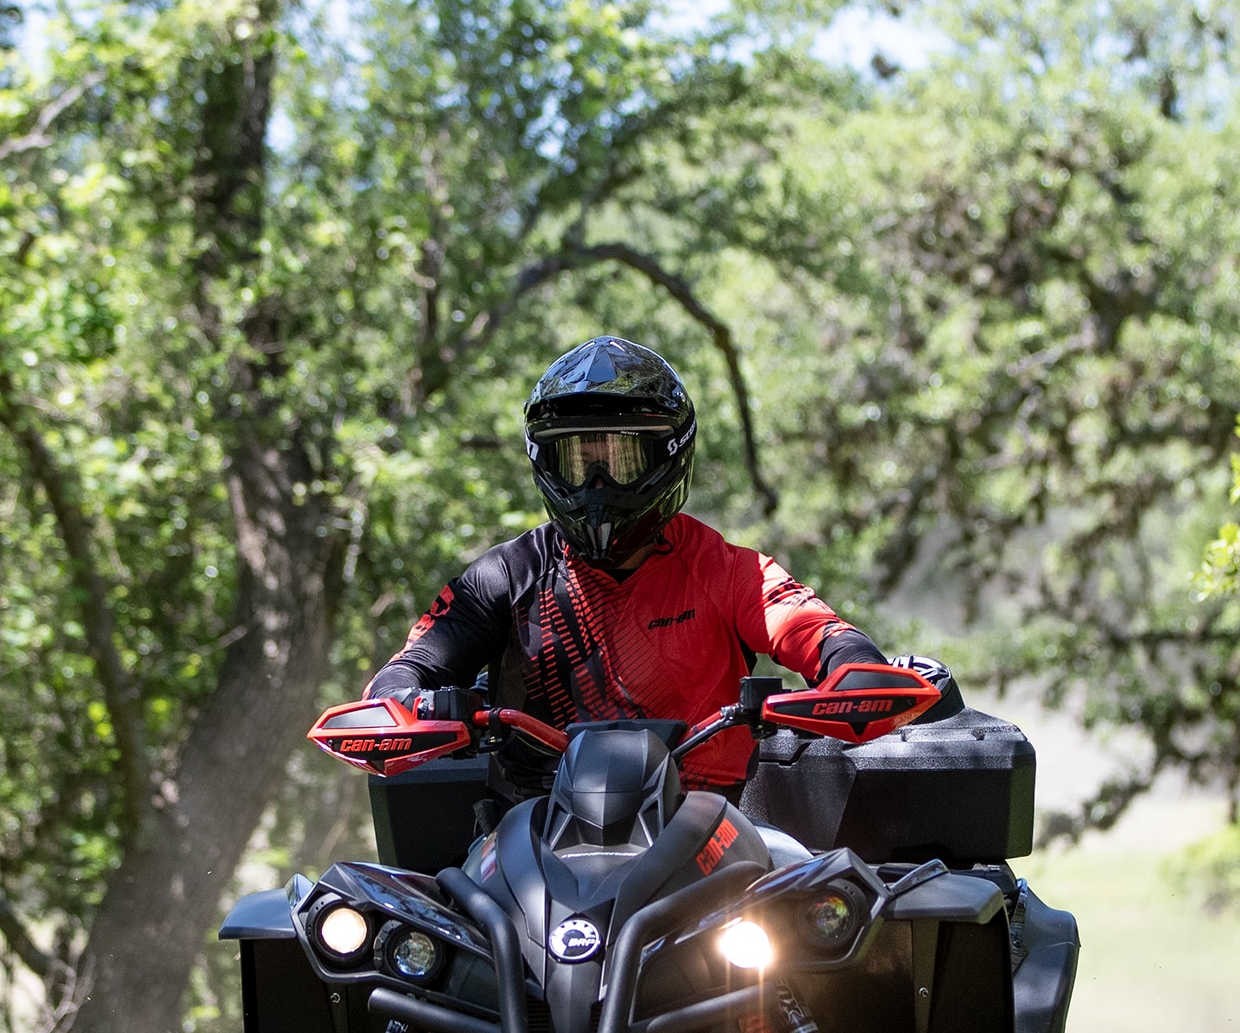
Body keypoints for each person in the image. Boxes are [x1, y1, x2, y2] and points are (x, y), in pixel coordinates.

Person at [365, 336, 894, 791]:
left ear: (669, 455)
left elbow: (814, 627)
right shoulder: (504, 576)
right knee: (393, 903)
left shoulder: (729, 571)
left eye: (620, 460)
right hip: (528, 834)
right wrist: (403, 700)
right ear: (544, 464)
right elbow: (412, 665)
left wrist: (852, 669)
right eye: (577, 462)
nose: (597, 486)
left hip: (704, 830)